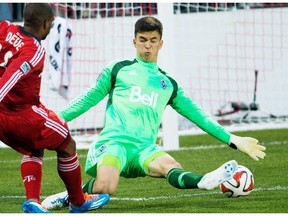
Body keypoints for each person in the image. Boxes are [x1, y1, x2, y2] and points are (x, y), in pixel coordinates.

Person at [42, 16, 266, 209]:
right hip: (114, 143)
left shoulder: (168, 85)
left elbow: (199, 117)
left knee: (171, 166)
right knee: (105, 189)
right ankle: (69, 195)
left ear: (161, 43)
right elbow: (88, 99)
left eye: (152, 41)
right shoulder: (118, 69)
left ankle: (203, 181)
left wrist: (233, 140)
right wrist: (54, 119)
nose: (147, 46)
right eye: (142, 40)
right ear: (134, 41)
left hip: (144, 148)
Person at [0, 3, 109, 213]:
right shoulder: (34, 49)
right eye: (50, 24)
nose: (50, 29)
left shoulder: (4, 27)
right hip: (21, 114)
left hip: (4, 116)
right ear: (44, 23)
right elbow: (10, 79)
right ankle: (78, 201)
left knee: (35, 146)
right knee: (67, 143)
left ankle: (32, 201)